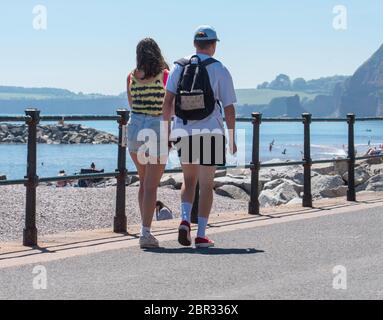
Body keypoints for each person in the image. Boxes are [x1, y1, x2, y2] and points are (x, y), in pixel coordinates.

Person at [163, 25, 237, 248]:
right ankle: (202, 235)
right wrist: (232, 138)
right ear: (213, 45)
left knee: (188, 180)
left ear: (195, 44)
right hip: (210, 131)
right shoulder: (219, 69)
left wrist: (167, 133)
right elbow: (230, 108)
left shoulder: (179, 66)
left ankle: (185, 218)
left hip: (183, 130)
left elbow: (167, 103)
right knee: (206, 185)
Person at [127, 38, 170, 249]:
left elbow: (131, 103)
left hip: (135, 127)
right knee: (152, 184)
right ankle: (146, 232)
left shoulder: (131, 77)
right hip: (155, 127)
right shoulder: (165, 75)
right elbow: (169, 106)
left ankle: (144, 228)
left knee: (143, 182)